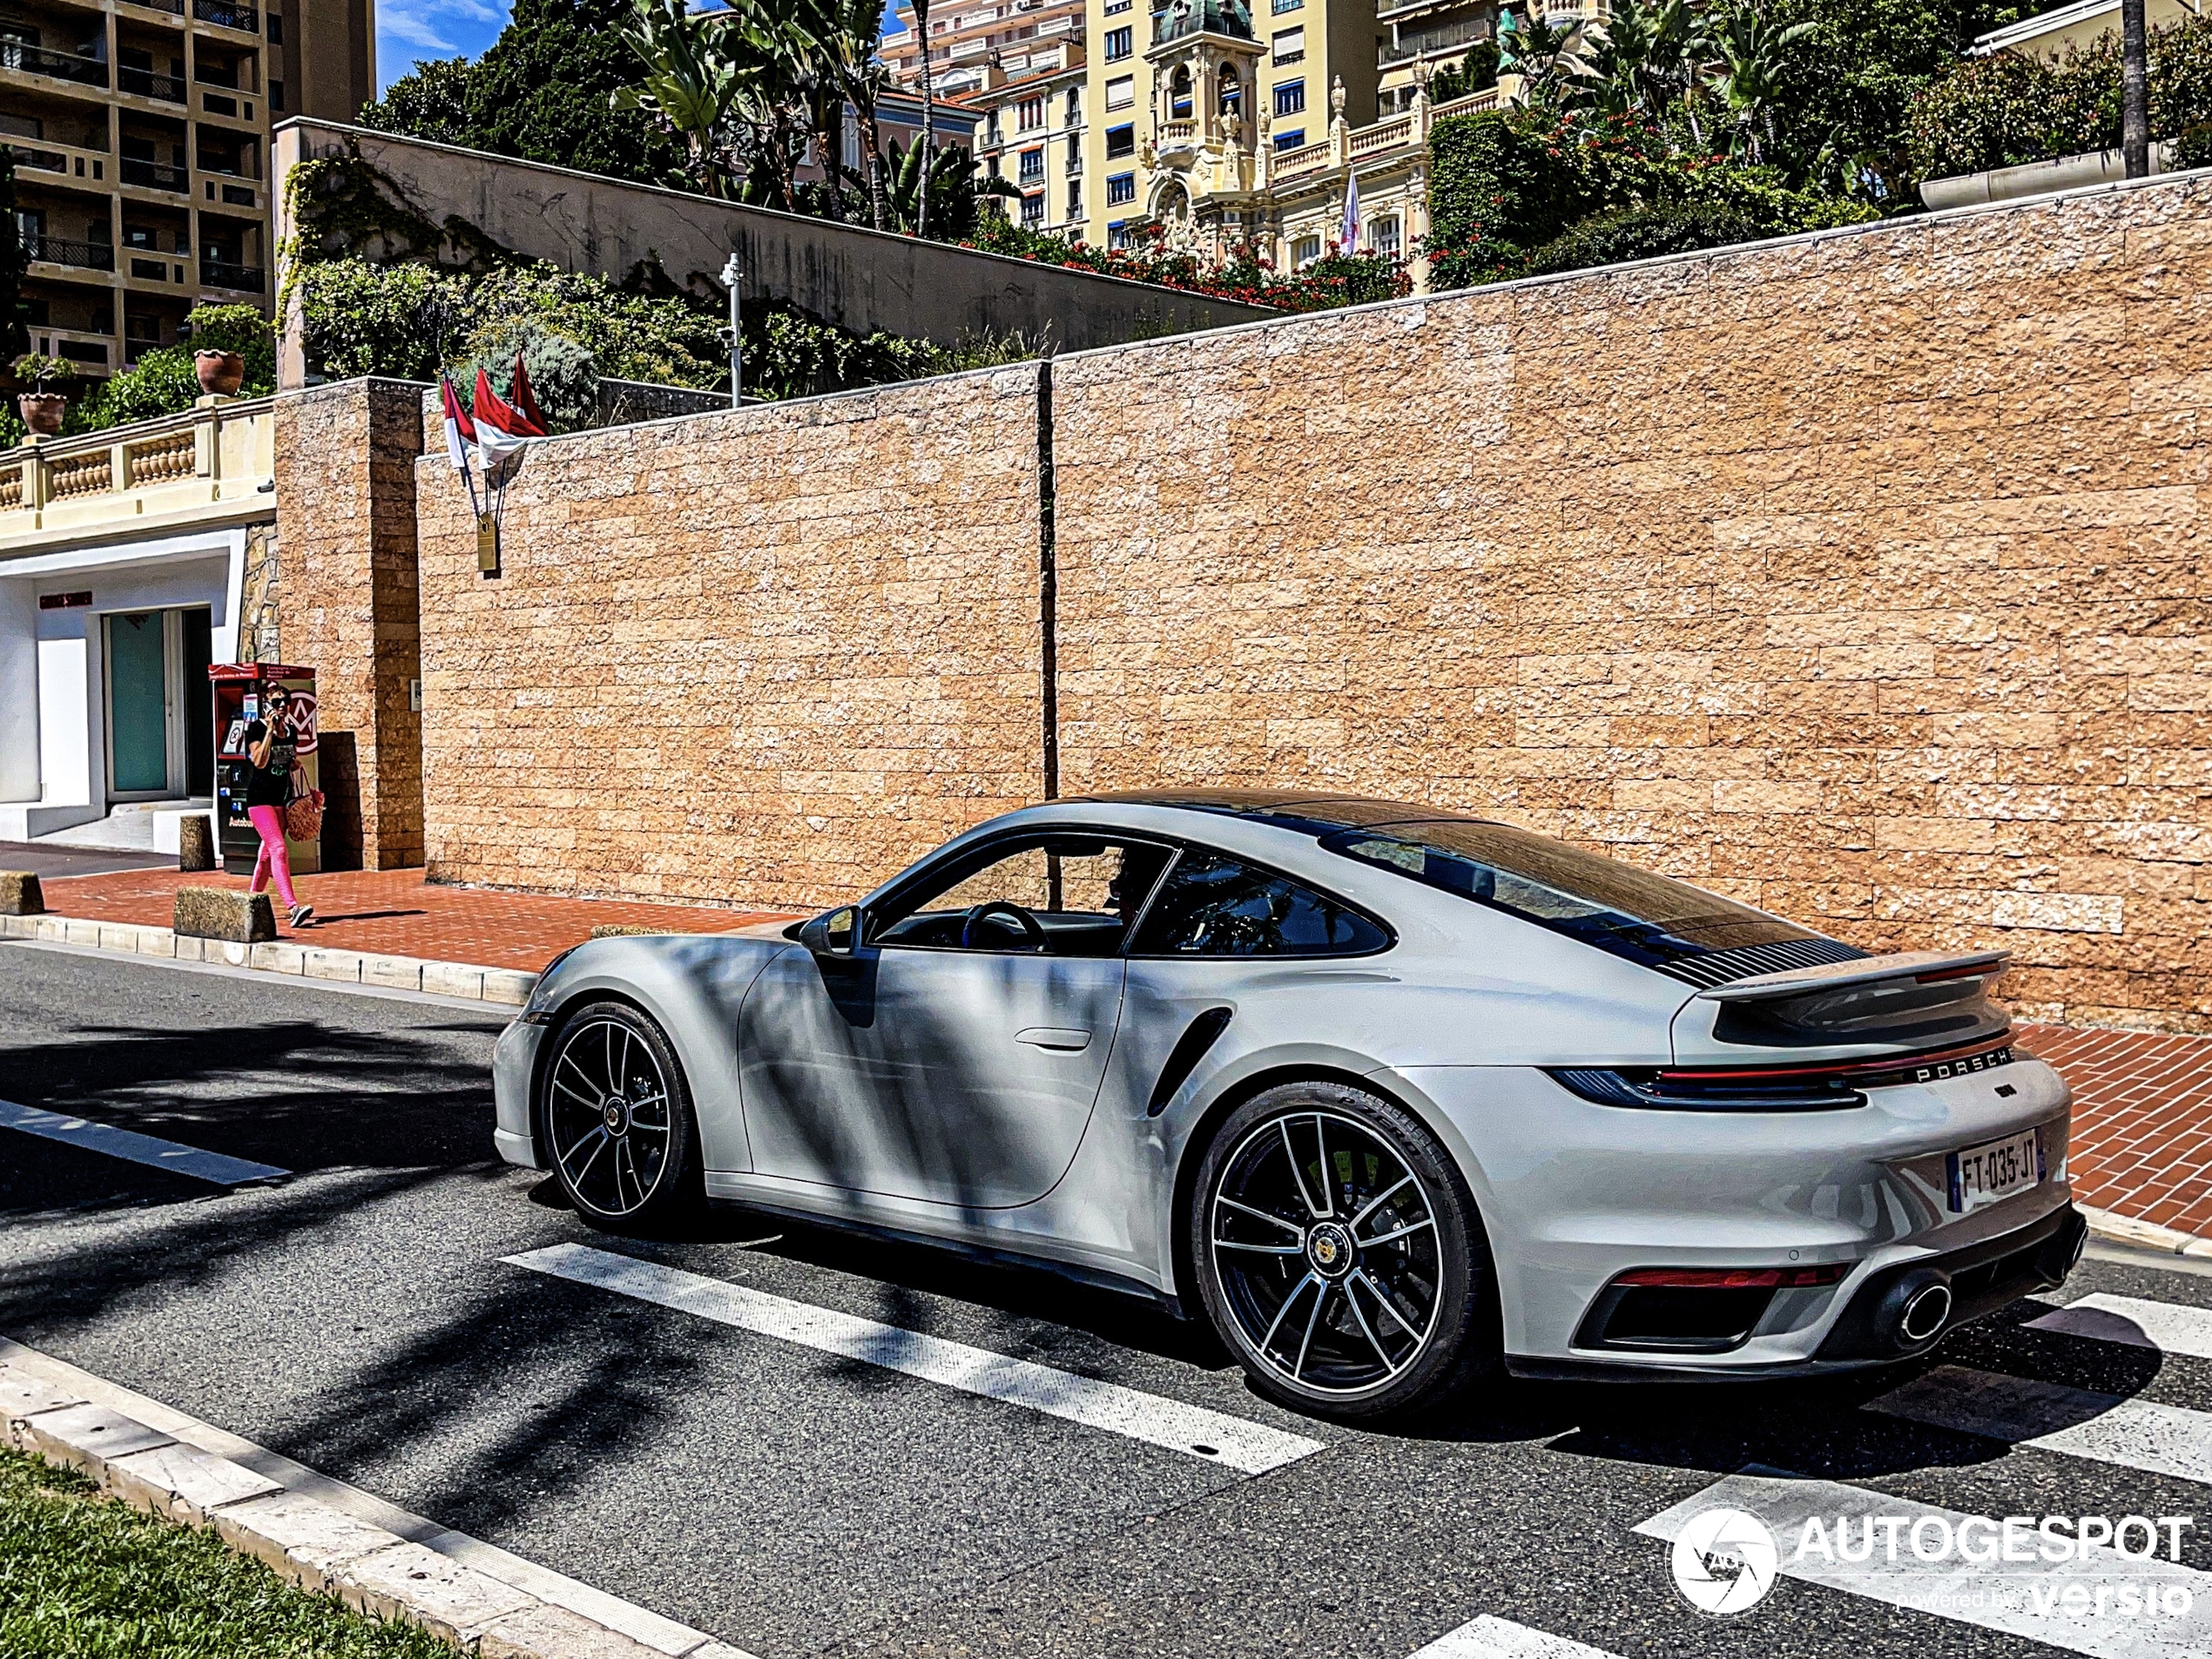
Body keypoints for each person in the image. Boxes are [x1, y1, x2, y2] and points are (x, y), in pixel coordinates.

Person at [242, 699, 313, 929]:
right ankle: (293, 907)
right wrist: (270, 730)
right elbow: (259, 761)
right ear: (266, 706)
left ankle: (250, 903)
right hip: (259, 801)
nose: (282, 705)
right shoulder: (256, 729)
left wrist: (292, 763)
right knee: (279, 849)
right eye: (276, 701)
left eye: (286, 701)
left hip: (281, 800)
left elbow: (288, 761)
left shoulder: (291, 731)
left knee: (266, 856)